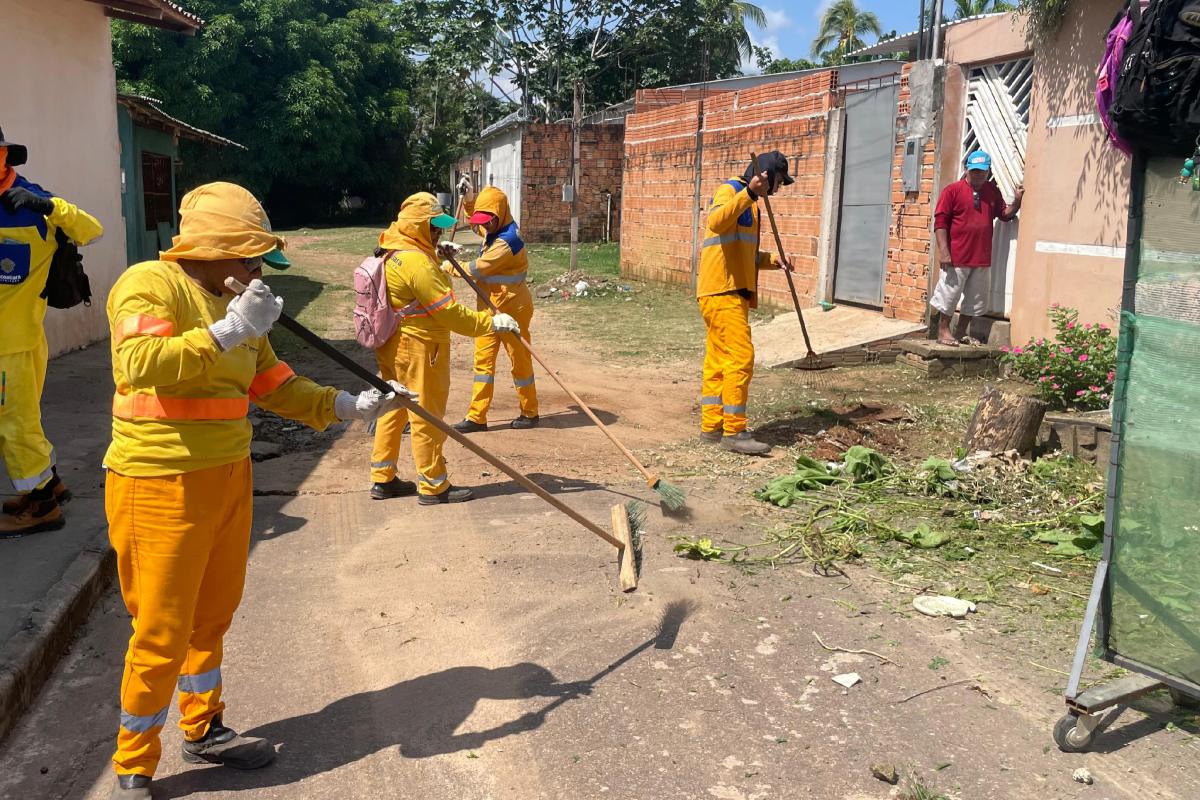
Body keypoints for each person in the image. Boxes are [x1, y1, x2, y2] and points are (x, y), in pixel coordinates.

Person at [103, 181, 411, 799]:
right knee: (161, 628)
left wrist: (346, 405)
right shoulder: (149, 284)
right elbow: (139, 363)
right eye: (248, 259)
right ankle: (134, 764)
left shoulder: (247, 308)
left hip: (229, 476)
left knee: (211, 617)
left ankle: (204, 729)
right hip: (158, 482)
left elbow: (273, 385)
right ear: (215, 249)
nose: (254, 272)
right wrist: (226, 331)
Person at [369, 192, 520, 504]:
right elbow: (450, 313)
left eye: (439, 229)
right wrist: (492, 323)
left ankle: (382, 478)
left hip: (393, 344)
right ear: (418, 227)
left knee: (394, 407)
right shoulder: (416, 263)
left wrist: (437, 255)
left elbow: (415, 281)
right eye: (433, 229)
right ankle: (434, 485)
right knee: (427, 415)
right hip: (420, 347)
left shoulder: (393, 248)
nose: (437, 233)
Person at [0, 125, 103, 536]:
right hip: (16, 340)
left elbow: (91, 230)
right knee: (22, 418)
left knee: (13, 423)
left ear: (5, 157)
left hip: (13, 342)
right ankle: (47, 485)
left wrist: (48, 206)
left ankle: (42, 506)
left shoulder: (30, 201)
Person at [696, 151, 794, 457]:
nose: (778, 190)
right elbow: (716, 222)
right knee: (741, 358)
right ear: (765, 175)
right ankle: (734, 430)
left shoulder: (751, 204)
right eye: (778, 182)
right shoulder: (731, 191)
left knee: (719, 361)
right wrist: (750, 192)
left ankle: (712, 425)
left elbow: (744, 254)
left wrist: (773, 260)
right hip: (722, 290)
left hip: (725, 290)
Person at [446, 185, 539, 432]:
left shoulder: (508, 241)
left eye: (488, 220)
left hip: (512, 310)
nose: (483, 226)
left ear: (500, 213)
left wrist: (446, 266)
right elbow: (477, 224)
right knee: (482, 365)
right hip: (489, 309)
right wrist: (468, 201)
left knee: (519, 363)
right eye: (482, 220)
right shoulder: (493, 227)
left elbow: (477, 269)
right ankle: (477, 417)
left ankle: (530, 412)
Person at [931, 150, 1024, 346]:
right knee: (949, 295)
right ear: (967, 170)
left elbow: (1004, 214)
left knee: (975, 299)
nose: (979, 175)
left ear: (988, 172)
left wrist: (1017, 201)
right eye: (974, 171)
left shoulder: (991, 191)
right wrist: (944, 252)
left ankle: (960, 332)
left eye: (982, 172)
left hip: (981, 257)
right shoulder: (952, 191)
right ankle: (943, 331)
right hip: (956, 256)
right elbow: (940, 223)